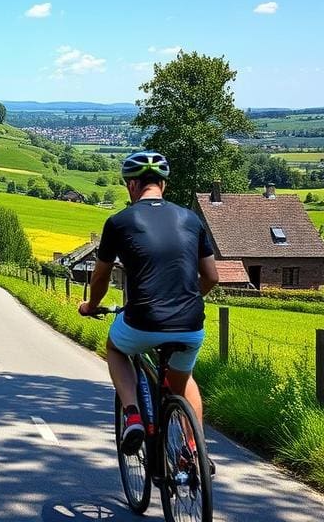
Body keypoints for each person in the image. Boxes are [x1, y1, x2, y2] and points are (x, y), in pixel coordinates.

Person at [78, 150, 219, 456]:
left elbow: (100, 277)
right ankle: (194, 450)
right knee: (183, 380)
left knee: (115, 348)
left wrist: (91, 305)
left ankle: (132, 415)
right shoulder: (191, 219)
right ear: (163, 185)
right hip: (191, 323)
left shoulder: (119, 221)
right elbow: (211, 276)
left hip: (143, 320)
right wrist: (188, 299)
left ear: (131, 186)